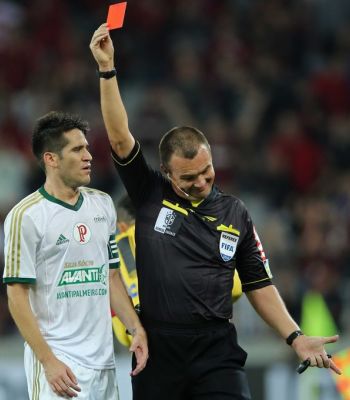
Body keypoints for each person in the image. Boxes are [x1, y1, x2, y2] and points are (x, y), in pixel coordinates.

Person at [90, 24, 341, 400]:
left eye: (207, 173)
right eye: (189, 178)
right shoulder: (149, 193)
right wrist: (107, 70)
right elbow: (120, 136)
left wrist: (296, 337)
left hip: (216, 349)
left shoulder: (235, 212)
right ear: (168, 173)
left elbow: (259, 284)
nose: (202, 183)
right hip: (159, 348)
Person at [2, 111, 148, 400]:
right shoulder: (26, 216)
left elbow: (111, 276)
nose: (88, 156)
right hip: (59, 365)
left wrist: (136, 328)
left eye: (88, 148)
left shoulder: (102, 204)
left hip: (104, 363)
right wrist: (48, 361)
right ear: (51, 159)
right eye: (77, 149)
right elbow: (16, 297)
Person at [112, 194, 243, 347]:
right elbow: (234, 288)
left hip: (156, 351)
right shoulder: (192, 228)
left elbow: (122, 335)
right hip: (207, 341)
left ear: (121, 227)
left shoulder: (112, 252)